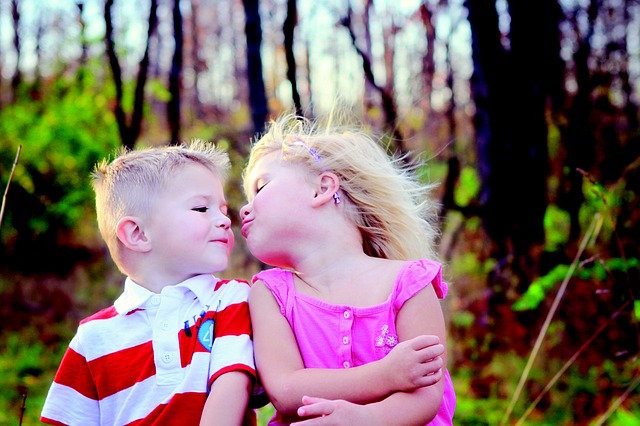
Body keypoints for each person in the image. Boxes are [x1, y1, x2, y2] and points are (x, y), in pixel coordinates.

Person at [239, 113, 456, 425]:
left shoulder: (409, 282)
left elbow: (426, 395)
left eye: (261, 187)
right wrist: (386, 374)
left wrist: (365, 419)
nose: (245, 208)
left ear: (322, 189)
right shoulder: (270, 293)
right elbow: (285, 390)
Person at [41, 140, 258, 425]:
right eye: (201, 208)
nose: (224, 220)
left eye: (222, 209)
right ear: (138, 234)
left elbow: (232, 388)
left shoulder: (230, 300)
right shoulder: (93, 339)